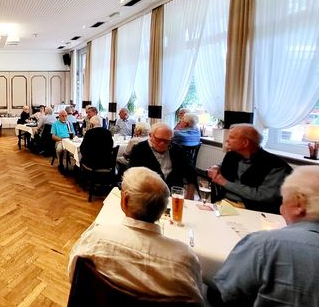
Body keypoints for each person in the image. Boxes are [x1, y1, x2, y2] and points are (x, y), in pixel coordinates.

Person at [69, 167, 204, 304]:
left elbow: (74, 275)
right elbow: (198, 302)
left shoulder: (97, 238)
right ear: (164, 208)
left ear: (125, 201)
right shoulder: (185, 259)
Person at [210, 166, 319, 306]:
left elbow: (227, 294)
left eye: (283, 200)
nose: (281, 208)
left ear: (298, 204)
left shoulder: (265, 244)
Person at [207, 124, 292, 213]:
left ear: (245, 143)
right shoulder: (232, 155)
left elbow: (263, 196)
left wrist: (225, 183)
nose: (227, 140)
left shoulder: (276, 166)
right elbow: (225, 165)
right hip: (226, 203)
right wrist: (216, 167)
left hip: (255, 211)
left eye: (232, 137)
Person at [129, 123, 197, 190]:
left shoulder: (177, 149)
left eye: (166, 141)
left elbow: (190, 171)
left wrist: (190, 193)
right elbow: (132, 176)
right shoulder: (139, 149)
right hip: (148, 192)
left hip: (173, 192)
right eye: (158, 140)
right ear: (150, 135)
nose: (162, 144)